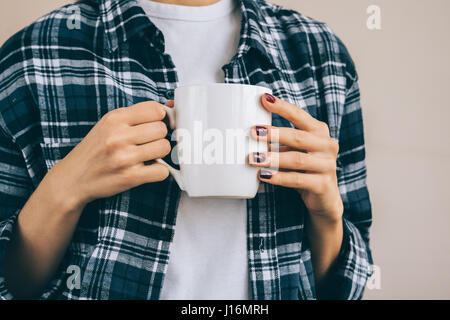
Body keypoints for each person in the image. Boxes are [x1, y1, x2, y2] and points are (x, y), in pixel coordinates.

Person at [0, 0, 373, 300]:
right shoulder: (36, 53)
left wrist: (326, 218)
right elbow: (11, 284)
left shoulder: (322, 54)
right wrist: (64, 189)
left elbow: (342, 285)